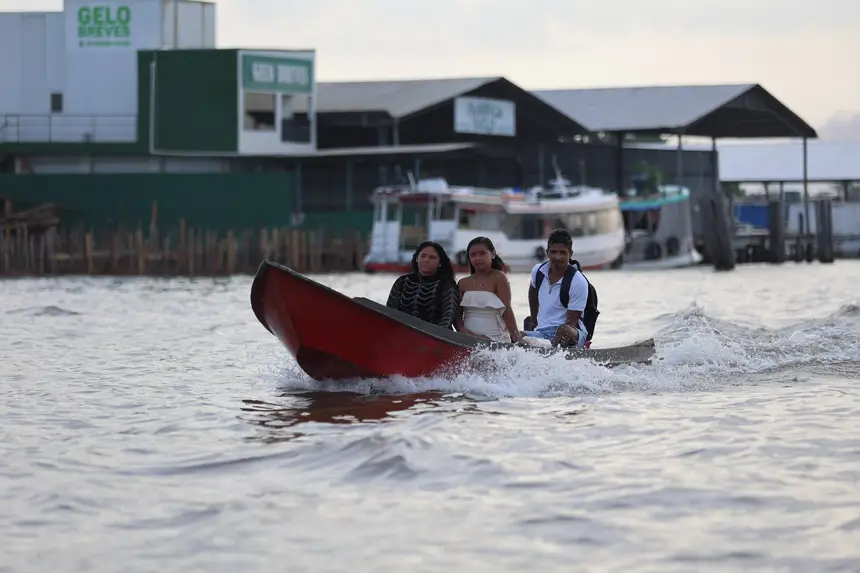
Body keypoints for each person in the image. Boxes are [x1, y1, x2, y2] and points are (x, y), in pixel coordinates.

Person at [523, 228, 599, 348]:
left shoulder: (578, 281)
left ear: (570, 253)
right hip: (541, 332)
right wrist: (534, 318)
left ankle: (549, 352)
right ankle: (544, 349)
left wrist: (548, 343)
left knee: (564, 331)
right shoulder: (538, 272)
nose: (557, 257)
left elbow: (571, 323)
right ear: (547, 252)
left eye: (562, 253)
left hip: (572, 333)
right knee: (515, 335)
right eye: (553, 252)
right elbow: (533, 289)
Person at [455, 236, 521, 343]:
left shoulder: (499, 278)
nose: (477, 258)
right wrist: (466, 334)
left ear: (493, 254)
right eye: (473, 255)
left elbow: (507, 310)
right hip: (468, 338)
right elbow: (457, 317)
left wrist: (516, 337)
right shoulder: (462, 283)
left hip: (495, 338)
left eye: (482, 253)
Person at [385, 241, 460, 330]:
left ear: (440, 263)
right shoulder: (402, 281)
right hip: (402, 332)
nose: (426, 260)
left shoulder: (446, 284)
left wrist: (435, 334)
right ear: (417, 259)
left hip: (436, 334)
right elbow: (390, 312)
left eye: (432, 257)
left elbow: (449, 315)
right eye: (423, 256)